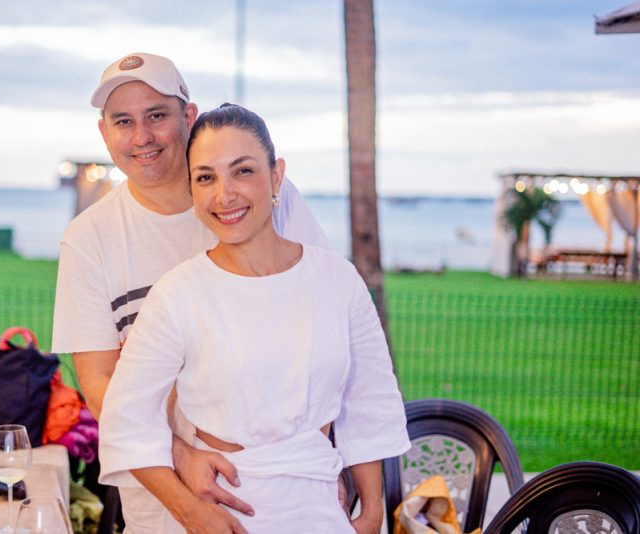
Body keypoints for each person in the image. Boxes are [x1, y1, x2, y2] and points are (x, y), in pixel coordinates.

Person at [52, 53, 331, 532]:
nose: (142, 137)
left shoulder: (262, 199)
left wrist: (325, 464)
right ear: (105, 134)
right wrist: (181, 466)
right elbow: (100, 385)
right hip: (159, 494)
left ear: (188, 116)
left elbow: (324, 333)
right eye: (124, 121)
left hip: (289, 481)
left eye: (157, 115)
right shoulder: (89, 238)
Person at [99, 104, 410, 533]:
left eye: (242, 171)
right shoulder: (178, 294)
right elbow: (125, 420)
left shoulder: (336, 280)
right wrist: (191, 514)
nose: (224, 195)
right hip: (225, 508)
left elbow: (368, 398)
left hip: (318, 506)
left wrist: (371, 509)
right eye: (206, 177)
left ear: (276, 175)